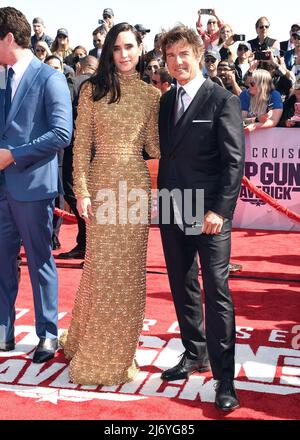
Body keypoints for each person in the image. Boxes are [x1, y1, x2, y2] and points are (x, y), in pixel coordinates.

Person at [61, 23, 160, 385]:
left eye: (130, 47)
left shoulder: (152, 96)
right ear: (109, 53)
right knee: (101, 270)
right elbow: (81, 146)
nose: (124, 54)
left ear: (140, 49)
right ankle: (90, 342)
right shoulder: (92, 91)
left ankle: (119, 354)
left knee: (130, 275)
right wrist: (82, 192)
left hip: (134, 188)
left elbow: (155, 147)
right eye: (117, 48)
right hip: (101, 188)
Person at [158, 25, 245, 411]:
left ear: (198, 54)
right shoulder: (165, 101)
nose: (177, 62)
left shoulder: (221, 100)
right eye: (170, 56)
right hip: (173, 207)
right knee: (182, 283)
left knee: (216, 292)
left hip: (207, 212)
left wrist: (219, 211)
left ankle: (225, 379)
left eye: (183, 54)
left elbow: (233, 162)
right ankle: (194, 352)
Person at [0, 7, 72, 360]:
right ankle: (3, 330)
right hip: (2, 189)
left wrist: (14, 154)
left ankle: (48, 334)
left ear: (9, 38)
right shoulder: (1, 77)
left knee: (40, 260)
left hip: (31, 187)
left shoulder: (49, 78)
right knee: (1, 262)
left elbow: (62, 133)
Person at [240, 69, 283, 133]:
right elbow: (241, 121)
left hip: (268, 137)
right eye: (249, 83)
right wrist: (256, 120)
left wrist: (254, 126)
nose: (249, 86)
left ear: (262, 84)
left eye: (252, 83)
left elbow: (273, 121)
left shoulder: (274, 95)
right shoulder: (245, 94)